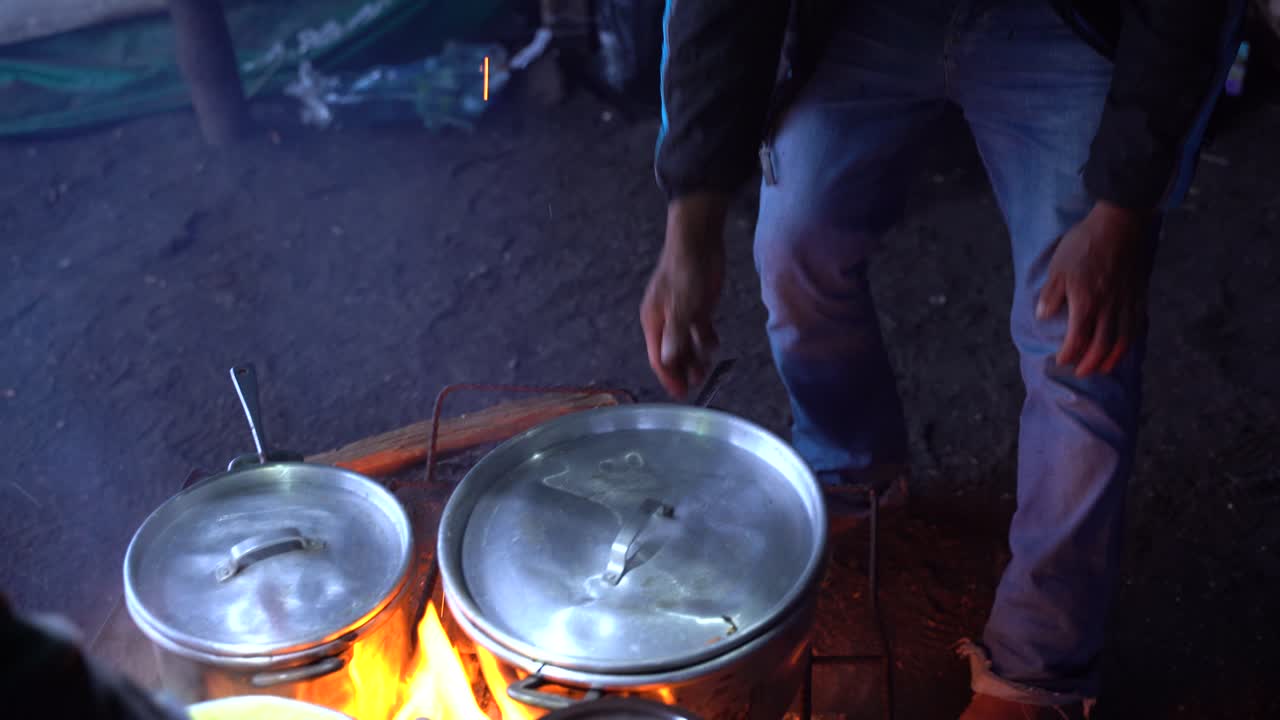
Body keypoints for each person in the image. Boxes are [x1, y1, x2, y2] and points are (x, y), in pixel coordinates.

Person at [639, 1, 1244, 717]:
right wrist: (691, 218)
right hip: (877, 17)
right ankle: (851, 471)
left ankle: (1040, 667)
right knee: (794, 241)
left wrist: (1124, 211)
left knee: (1077, 328)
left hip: (1065, 24)